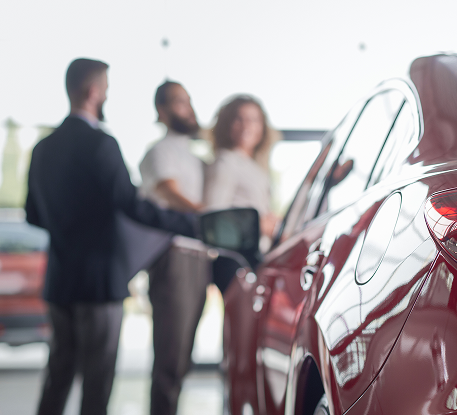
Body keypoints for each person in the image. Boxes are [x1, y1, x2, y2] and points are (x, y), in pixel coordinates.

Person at [25, 58, 198, 415]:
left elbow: (33, 214)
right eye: (105, 89)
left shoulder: (43, 148)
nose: (106, 95)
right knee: (97, 379)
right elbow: (132, 205)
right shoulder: (101, 144)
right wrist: (193, 225)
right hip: (99, 281)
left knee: (58, 373)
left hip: (60, 280)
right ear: (93, 92)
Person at [139, 81, 211, 415]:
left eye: (189, 101)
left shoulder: (195, 158)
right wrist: (210, 218)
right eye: (180, 102)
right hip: (174, 257)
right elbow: (169, 192)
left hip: (200, 258)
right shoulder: (159, 152)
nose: (189, 108)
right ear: (163, 110)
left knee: (183, 357)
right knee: (170, 357)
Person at [204, 94, 279, 240]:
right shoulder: (225, 162)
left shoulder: (255, 167)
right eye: (239, 119)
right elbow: (214, 215)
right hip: (236, 249)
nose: (246, 125)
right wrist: (259, 225)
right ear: (227, 125)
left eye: (253, 120)